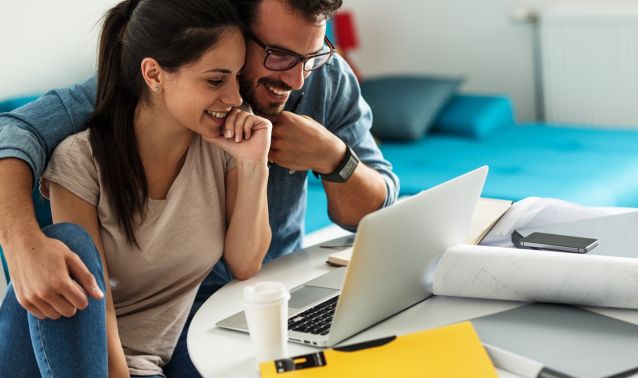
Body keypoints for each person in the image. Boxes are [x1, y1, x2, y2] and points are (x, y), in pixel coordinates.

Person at [0, 0, 399, 375]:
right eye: (280, 56)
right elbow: (15, 131)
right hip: (162, 326)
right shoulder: (141, 87)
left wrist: (334, 158)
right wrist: (20, 241)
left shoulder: (304, 91)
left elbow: (378, 215)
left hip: (257, 295)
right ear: (237, 35)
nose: (297, 80)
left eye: (313, 57)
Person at [0, 0, 272, 376]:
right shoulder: (81, 159)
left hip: (151, 359)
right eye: (215, 79)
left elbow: (246, 263)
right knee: (70, 243)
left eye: (236, 77)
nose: (235, 98)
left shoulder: (221, 149)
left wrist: (254, 163)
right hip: (73, 356)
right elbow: (101, 303)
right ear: (154, 74)